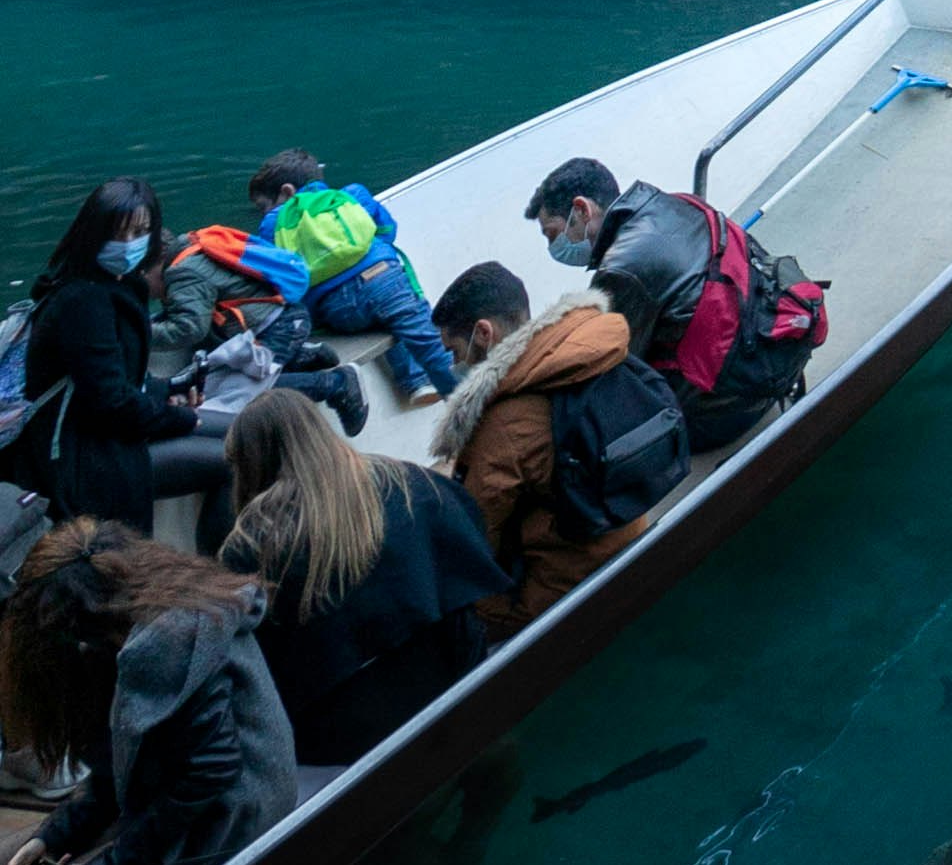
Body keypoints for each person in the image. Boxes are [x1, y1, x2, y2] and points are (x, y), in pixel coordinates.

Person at [0, 529, 293, 865]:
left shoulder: (159, 647)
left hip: (234, 825)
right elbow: (124, 772)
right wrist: (53, 837)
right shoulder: (161, 613)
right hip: (226, 799)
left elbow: (210, 773)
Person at [219, 385, 499, 771]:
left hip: (346, 738)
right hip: (451, 681)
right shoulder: (407, 482)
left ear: (250, 462)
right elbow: (471, 543)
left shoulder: (250, 545)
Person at [523, 156, 827, 458]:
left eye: (554, 234)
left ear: (582, 209)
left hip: (726, 414)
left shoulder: (622, 268)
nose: (555, 247)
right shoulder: (675, 204)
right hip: (772, 359)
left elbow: (613, 371)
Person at [425, 262, 683, 613]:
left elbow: (478, 537)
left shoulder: (505, 422)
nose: (454, 362)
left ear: (483, 333)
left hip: (568, 584)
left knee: (452, 615)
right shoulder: (587, 350)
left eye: (454, 350)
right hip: (630, 528)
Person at [12, 185, 229, 543]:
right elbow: (110, 402)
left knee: (247, 433)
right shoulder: (82, 300)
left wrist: (170, 389)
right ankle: (216, 577)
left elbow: (121, 378)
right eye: (118, 232)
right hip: (79, 459)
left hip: (109, 435)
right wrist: (178, 417)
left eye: (140, 232)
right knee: (232, 460)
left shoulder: (119, 285)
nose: (128, 242)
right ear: (93, 232)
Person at [233, 153, 460, 408]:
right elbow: (388, 230)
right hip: (384, 282)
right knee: (420, 333)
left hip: (334, 310)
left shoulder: (272, 223)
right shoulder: (352, 195)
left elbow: (279, 275)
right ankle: (448, 393)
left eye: (264, 205)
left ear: (286, 191)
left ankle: (418, 382)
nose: (264, 213)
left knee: (383, 318)